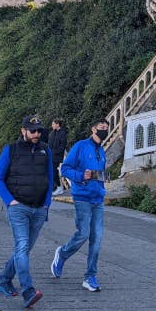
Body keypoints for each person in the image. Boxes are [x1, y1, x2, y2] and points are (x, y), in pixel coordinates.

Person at [0, 115, 54, 308]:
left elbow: (51, 178)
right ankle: (28, 291)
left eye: (39, 131)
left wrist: (47, 204)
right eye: (33, 130)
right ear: (23, 131)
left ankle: (4, 280)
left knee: (24, 249)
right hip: (18, 208)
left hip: (39, 209)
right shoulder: (11, 150)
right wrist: (10, 201)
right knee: (21, 247)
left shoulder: (46, 150)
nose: (37, 134)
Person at [50, 120, 108, 293]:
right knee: (83, 234)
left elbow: (100, 174)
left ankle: (90, 276)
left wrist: (103, 178)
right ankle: (62, 254)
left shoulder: (102, 151)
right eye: (101, 128)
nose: (104, 131)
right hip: (82, 197)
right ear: (93, 129)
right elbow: (65, 169)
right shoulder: (81, 146)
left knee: (96, 239)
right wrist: (81, 176)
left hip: (98, 199)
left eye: (106, 128)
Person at [48, 119, 68, 196]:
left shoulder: (62, 133)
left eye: (53, 124)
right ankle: (59, 187)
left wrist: (54, 152)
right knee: (52, 172)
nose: (52, 125)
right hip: (51, 155)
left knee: (54, 172)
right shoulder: (52, 133)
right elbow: (49, 144)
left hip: (57, 156)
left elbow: (62, 146)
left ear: (57, 124)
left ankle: (59, 187)